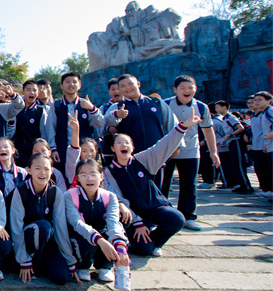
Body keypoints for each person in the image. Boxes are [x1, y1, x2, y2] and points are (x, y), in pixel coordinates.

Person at [104, 107, 200, 257]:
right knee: (143, 250)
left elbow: (163, 145)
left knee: (177, 219)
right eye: (119, 142)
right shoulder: (109, 172)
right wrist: (138, 222)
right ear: (112, 148)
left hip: (155, 208)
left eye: (127, 143)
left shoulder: (142, 160)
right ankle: (143, 242)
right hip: (133, 215)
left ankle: (156, 242)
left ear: (132, 147)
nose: (124, 145)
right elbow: (117, 198)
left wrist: (183, 127)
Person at [160, 76, 219, 231]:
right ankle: (162, 214)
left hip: (191, 151)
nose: (187, 91)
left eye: (190, 87)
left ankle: (188, 216)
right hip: (168, 150)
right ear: (175, 90)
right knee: (163, 183)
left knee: (189, 184)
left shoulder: (201, 107)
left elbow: (208, 129)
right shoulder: (165, 104)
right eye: (182, 88)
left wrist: (213, 152)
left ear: (195, 89)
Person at [10, 153, 77, 285]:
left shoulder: (55, 192)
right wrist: (23, 259)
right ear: (29, 170)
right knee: (43, 227)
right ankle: (29, 263)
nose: (42, 173)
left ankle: (40, 264)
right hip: (27, 239)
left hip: (47, 240)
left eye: (46, 169)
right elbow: (16, 227)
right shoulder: (21, 191)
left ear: (51, 171)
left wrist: (70, 260)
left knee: (62, 277)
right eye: (37, 168)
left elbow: (60, 227)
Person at [64, 159, 129, 283]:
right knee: (80, 238)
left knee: (112, 234)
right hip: (82, 236)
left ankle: (105, 266)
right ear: (78, 178)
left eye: (93, 174)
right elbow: (77, 223)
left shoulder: (110, 197)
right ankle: (82, 266)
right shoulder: (69, 196)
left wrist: (120, 247)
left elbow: (113, 222)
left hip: (101, 234)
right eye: (84, 175)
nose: (89, 179)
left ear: (101, 176)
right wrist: (99, 240)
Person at [50, 72, 104, 169]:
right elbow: (50, 129)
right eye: (67, 82)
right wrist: (53, 149)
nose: (71, 84)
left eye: (74, 82)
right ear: (62, 86)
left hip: (85, 152)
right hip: (63, 151)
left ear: (79, 86)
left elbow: (100, 123)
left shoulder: (85, 104)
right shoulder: (56, 105)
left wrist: (92, 108)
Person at [214, 100, 253, 194]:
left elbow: (240, 128)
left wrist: (230, 135)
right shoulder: (224, 118)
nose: (216, 109)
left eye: (218, 107)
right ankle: (241, 185)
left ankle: (246, 186)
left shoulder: (230, 117)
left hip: (237, 141)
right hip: (231, 142)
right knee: (235, 165)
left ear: (224, 107)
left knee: (239, 165)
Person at [13, 80, 54, 167]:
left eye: (34, 90)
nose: (31, 92)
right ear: (22, 92)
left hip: (34, 154)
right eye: (28, 90)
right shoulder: (16, 109)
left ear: (38, 93)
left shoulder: (40, 110)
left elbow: (43, 133)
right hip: (17, 154)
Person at [248, 91, 273, 196]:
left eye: (260, 100)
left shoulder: (270, 111)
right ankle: (267, 190)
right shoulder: (263, 113)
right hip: (268, 146)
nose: (256, 102)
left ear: (269, 101)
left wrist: (271, 135)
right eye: (255, 100)